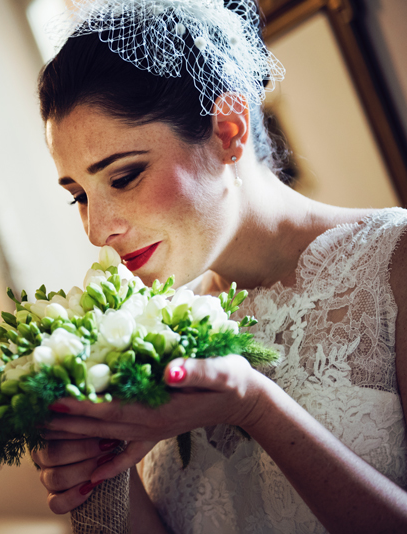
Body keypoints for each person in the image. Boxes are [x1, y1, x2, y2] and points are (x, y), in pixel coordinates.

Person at [29, 0, 407, 532]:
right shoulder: (148, 334)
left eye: (123, 176)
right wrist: (96, 473)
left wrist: (254, 407)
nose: (98, 231)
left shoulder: (395, 261)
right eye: (79, 196)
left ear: (228, 130)